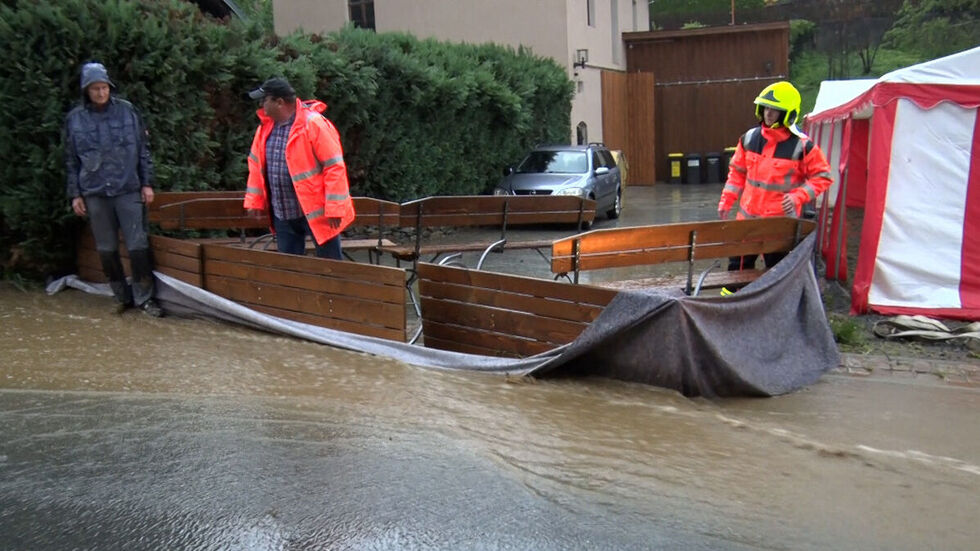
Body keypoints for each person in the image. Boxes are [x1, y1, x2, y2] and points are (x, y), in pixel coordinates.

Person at [65, 62, 163, 317]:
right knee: (106, 249)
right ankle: (121, 296)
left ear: (110, 87)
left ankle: (145, 299)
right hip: (95, 192)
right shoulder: (75, 120)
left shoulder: (128, 112)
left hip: (128, 189)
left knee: (137, 246)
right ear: (86, 91)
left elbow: (143, 151)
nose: (100, 92)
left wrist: (146, 183)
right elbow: (71, 160)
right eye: (95, 88)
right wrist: (75, 193)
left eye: (104, 87)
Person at [718, 80, 832, 271]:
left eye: (774, 109)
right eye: (766, 108)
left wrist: (799, 196)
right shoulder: (749, 139)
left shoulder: (802, 146)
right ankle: (734, 300)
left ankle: (772, 302)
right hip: (748, 224)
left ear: (788, 113)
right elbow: (737, 173)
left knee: (776, 275)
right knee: (735, 273)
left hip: (779, 227)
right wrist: (726, 201)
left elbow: (823, 176)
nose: (768, 113)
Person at [243, 77, 355, 259]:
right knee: (290, 271)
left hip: (318, 212)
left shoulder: (314, 124)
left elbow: (334, 166)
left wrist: (335, 208)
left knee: (332, 268)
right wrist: (254, 201)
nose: (261, 105)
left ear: (279, 102)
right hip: (283, 211)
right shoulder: (264, 129)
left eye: (265, 100)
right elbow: (256, 166)